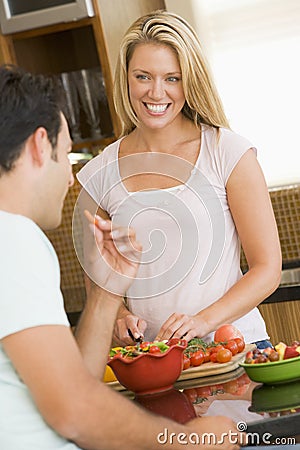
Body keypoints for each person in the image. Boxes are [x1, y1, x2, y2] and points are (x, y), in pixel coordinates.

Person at [0, 64, 244, 450]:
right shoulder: (13, 239)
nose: (69, 177)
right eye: (66, 155)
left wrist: (106, 294)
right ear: (38, 145)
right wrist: (184, 441)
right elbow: (75, 411)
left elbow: (70, 387)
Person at [76, 10, 282, 347]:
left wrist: (202, 322)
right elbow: (98, 285)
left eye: (172, 78)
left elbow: (267, 269)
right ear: (125, 78)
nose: (157, 93)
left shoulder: (226, 152)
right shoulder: (98, 174)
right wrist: (119, 317)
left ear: (190, 80)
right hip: (156, 362)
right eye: (143, 76)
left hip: (236, 350)